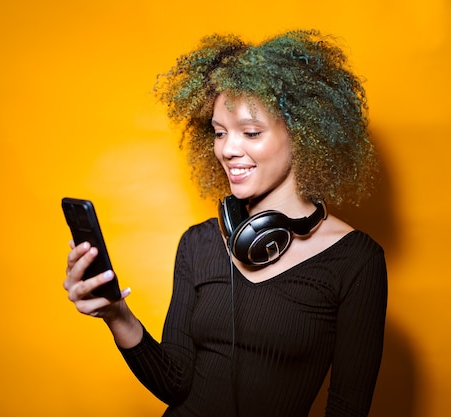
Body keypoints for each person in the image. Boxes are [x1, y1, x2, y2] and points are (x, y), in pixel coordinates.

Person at [64, 29, 387, 417]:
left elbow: (347, 407)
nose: (228, 149)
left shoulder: (357, 262)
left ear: (302, 134)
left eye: (251, 132)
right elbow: (174, 382)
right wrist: (117, 314)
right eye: (219, 133)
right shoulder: (198, 243)